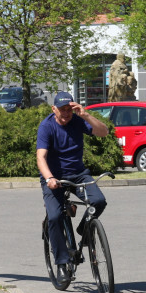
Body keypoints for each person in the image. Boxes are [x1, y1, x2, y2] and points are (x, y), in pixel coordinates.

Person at [37, 91, 109, 282]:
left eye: (69, 109)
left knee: (98, 201)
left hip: (78, 174)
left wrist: (85, 115)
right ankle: (61, 263)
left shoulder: (78, 121)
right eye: (62, 109)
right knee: (55, 217)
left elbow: (104, 132)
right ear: (54, 109)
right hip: (54, 178)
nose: (66, 113)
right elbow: (41, 157)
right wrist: (49, 178)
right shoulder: (47, 126)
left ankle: (84, 228)